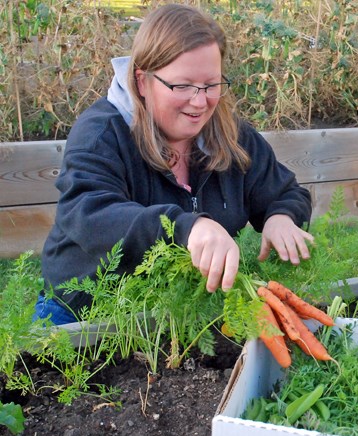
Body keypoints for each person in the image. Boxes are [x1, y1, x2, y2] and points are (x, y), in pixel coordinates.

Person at [34, 4, 314, 325]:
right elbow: (88, 213)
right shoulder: (102, 133)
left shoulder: (230, 135)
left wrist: (282, 216)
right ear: (142, 81)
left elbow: (284, 191)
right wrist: (185, 227)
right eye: (182, 86)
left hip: (182, 315)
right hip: (86, 315)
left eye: (211, 85)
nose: (200, 101)